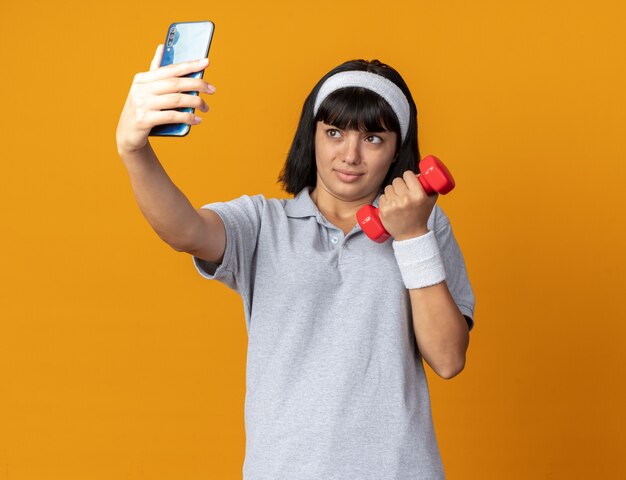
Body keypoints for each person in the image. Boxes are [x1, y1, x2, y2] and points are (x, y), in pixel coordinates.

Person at [117, 44, 475, 480]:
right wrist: (134, 151)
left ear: (398, 151)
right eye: (335, 133)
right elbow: (184, 231)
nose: (350, 155)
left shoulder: (424, 224)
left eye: (374, 138)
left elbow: (448, 358)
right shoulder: (264, 223)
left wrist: (412, 235)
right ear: (313, 135)